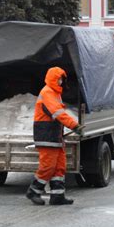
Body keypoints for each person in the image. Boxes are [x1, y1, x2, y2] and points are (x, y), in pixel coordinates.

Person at [26, 66, 83, 206]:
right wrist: (74, 125)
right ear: (53, 79)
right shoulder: (48, 93)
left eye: (62, 79)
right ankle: (34, 191)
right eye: (59, 79)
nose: (61, 82)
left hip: (54, 136)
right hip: (46, 135)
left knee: (59, 167)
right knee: (48, 166)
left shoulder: (55, 94)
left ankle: (57, 196)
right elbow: (58, 114)